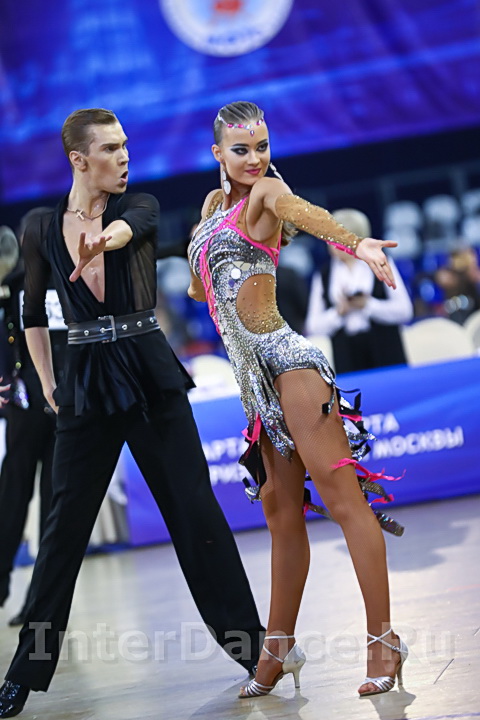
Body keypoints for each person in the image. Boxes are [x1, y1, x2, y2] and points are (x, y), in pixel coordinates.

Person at [0, 108, 264, 718]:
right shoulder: (39, 226)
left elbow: (128, 231)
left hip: (149, 376)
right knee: (62, 534)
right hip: (85, 384)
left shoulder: (138, 206)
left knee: (195, 513)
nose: (123, 156)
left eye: (125, 145)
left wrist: (105, 239)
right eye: (110, 148)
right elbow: (32, 315)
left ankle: (255, 652)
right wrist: (48, 384)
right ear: (78, 159)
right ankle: (23, 673)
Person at [188, 101, 408, 699]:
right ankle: (277, 649)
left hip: (291, 369)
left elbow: (301, 212)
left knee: (345, 504)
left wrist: (355, 243)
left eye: (262, 146)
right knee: (282, 519)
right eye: (241, 149)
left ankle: (384, 642)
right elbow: (202, 289)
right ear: (217, 153)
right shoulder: (213, 208)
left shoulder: (267, 194)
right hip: (255, 387)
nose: (255, 158)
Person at [0, 210, 66, 628]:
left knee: (52, 510)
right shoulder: (12, 283)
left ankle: (38, 603)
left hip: (64, 411)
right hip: (26, 408)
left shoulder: (74, 279)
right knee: (12, 498)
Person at [305, 208, 413, 373]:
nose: (331, 245)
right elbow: (313, 326)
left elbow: (405, 311)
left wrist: (368, 305)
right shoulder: (323, 275)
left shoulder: (381, 262)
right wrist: (339, 313)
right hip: (347, 356)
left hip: (386, 351)